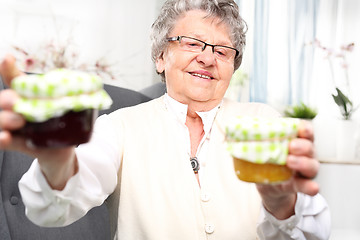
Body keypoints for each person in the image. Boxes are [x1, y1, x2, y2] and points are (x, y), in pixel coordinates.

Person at [0, 0, 330, 239]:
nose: (207, 57)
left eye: (222, 50)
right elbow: (54, 208)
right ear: (161, 56)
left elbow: (315, 232)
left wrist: (282, 204)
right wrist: (58, 162)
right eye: (192, 43)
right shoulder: (119, 126)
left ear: (233, 65)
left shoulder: (265, 122)